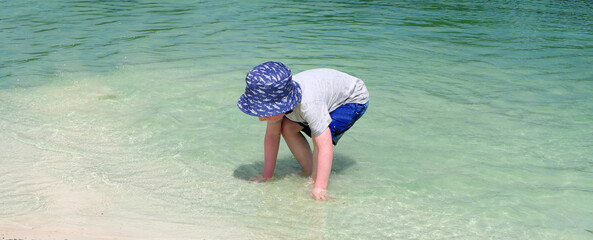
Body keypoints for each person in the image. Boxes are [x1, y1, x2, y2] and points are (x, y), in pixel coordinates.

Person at [237, 61, 369, 200]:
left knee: (318, 134)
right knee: (287, 128)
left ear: (282, 105)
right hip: (320, 95)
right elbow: (272, 136)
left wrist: (320, 188)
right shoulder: (279, 96)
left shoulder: (310, 105)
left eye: (266, 112)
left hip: (351, 99)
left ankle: (316, 179)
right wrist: (267, 175)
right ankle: (309, 170)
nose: (261, 118)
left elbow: (325, 146)